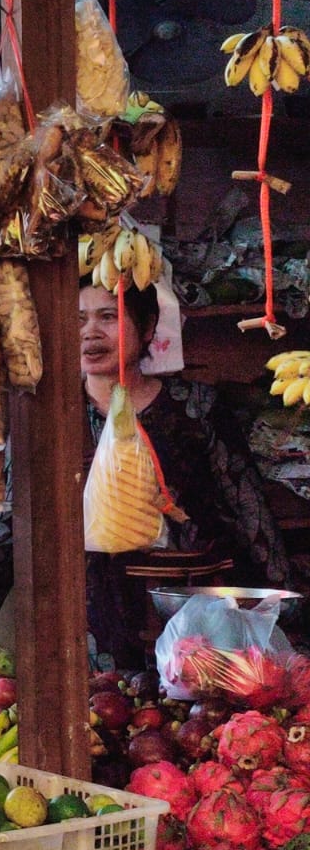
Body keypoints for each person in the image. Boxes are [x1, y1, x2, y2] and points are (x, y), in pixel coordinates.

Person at [79, 280, 290, 668]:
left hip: (196, 609)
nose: (90, 332)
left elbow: (247, 505)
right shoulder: (54, 421)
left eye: (107, 317)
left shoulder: (195, 405)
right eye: (78, 319)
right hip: (94, 616)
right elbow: (14, 524)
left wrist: (279, 601)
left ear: (146, 329)